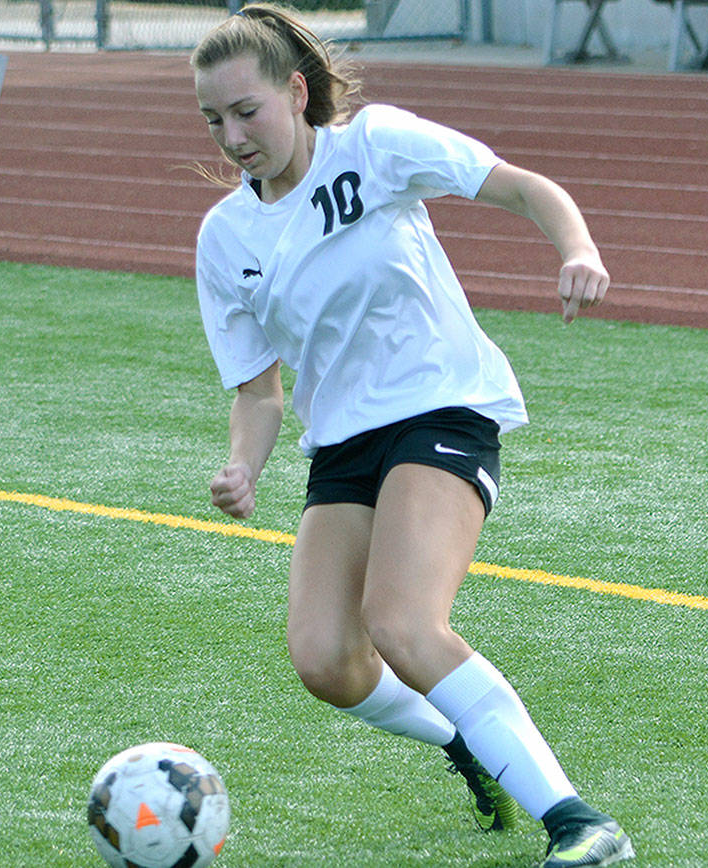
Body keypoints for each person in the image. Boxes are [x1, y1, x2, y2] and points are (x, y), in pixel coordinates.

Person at [191, 5, 633, 866]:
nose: (232, 135)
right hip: (346, 445)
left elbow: (522, 186)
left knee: (401, 622)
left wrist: (575, 247)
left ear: (295, 91)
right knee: (326, 660)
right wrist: (242, 465)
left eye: (247, 111)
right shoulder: (224, 238)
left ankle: (579, 822)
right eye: (213, 119)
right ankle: (463, 736)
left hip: (442, 407)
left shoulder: (377, 144)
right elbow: (259, 390)